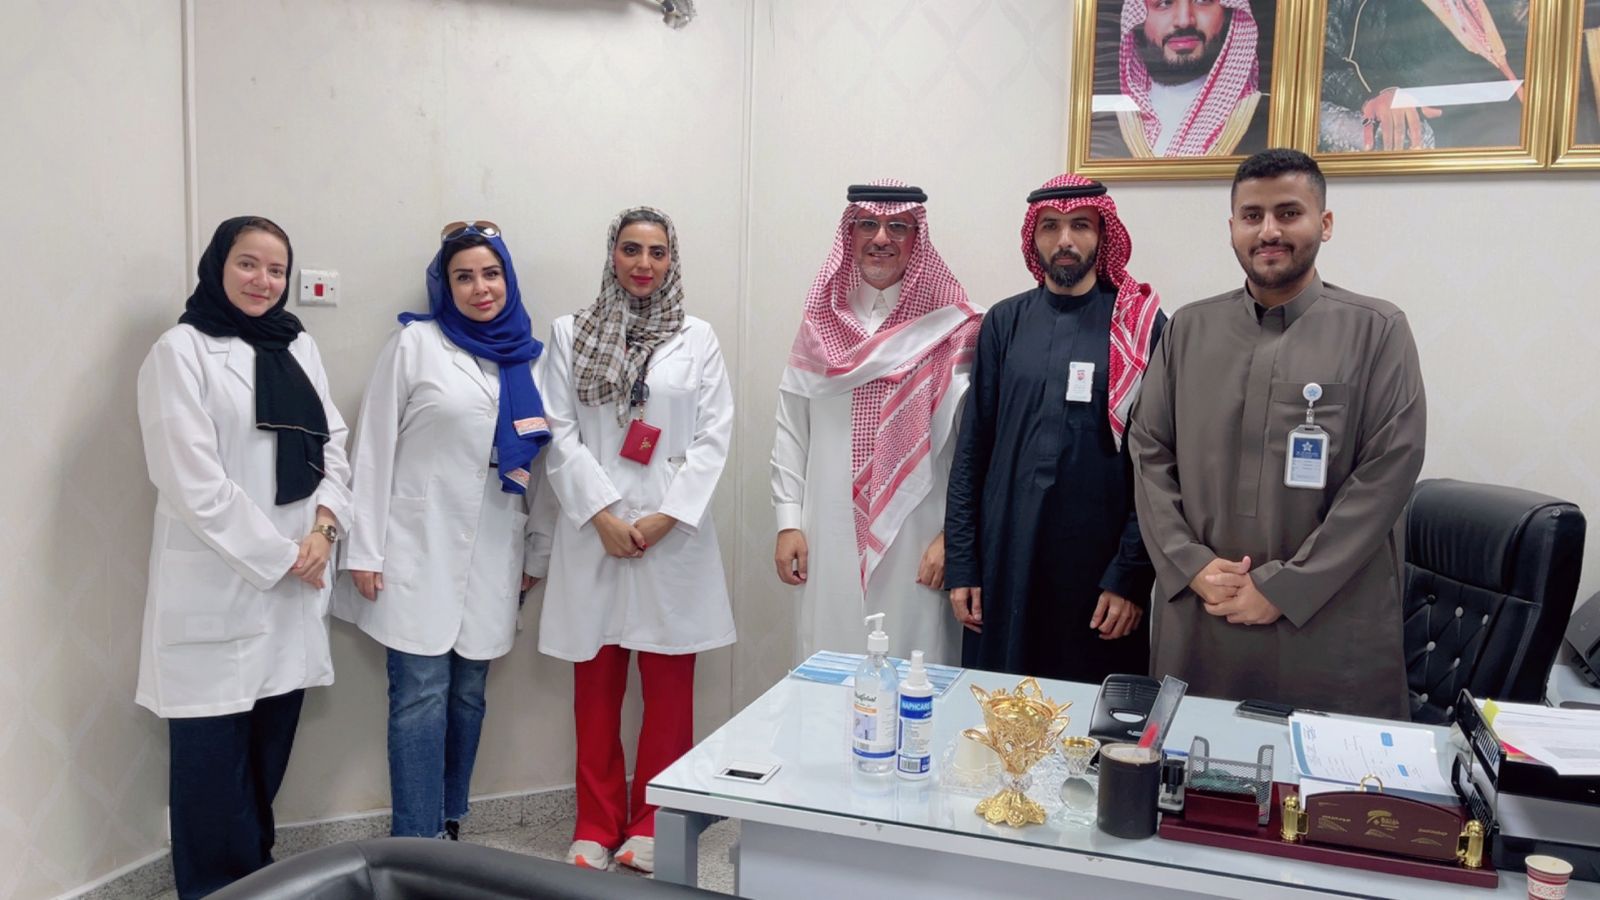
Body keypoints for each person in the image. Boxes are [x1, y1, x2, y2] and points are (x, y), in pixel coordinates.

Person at [1129, 149, 1427, 719]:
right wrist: (1190, 563)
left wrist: (1286, 588)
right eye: (1252, 216)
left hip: (1325, 621)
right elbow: (1148, 451)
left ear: (1325, 222)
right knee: (1188, 764)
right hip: (1202, 612)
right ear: (1232, 228)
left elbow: (1387, 472)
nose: (1268, 231)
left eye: (1289, 213)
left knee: (1326, 774)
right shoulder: (1189, 328)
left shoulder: (1377, 330)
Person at [136, 216, 352, 898]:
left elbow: (335, 447)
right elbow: (191, 481)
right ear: (218, 266)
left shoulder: (299, 346)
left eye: (277, 269)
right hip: (223, 584)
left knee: (266, 760)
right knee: (210, 774)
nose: (264, 280)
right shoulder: (180, 351)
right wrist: (284, 554)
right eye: (248, 264)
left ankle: (259, 884)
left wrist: (325, 530)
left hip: (295, 583)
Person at [337, 221, 552, 841]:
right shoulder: (415, 345)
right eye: (464, 277)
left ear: (508, 279)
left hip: (494, 545)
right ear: (445, 286)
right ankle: (415, 840)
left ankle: (449, 824)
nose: (480, 288)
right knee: (419, 695)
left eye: (491, 274)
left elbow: (543, 470)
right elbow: (373, 447)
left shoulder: (528, 358)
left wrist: (535, 552)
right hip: (414, 546)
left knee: (468, 696)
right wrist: (363, 550)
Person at [537, 207, 735, 874]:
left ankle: (653, 823)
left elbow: (713, 437)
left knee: (669, 691)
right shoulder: (570, 333)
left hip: (670, 539)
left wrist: (664, 518)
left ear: (671, 260)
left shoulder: (698, 338)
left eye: (656, 252)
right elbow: (558, 431)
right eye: (630, 249)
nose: (643, 264)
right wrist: (601, 514)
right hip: (595, 533)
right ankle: (595, 824)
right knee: (594, 690)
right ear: (612, 255)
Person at [944, 174, 1165, 683]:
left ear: (1103, 234)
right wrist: (964, 564)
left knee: (1089, 715)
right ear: (1033, 237)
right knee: (998, 705)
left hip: (1099, 568)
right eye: (1050, 226)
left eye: (1080, 225)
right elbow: (972, 451)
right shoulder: (1003, 323)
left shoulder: (1139, 327)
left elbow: (1158, 468)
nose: (1065, 240)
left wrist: (1131, 576)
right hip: (1005, 557)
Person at [772, 180, 982, 666]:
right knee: (830, 662)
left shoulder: (957, 329)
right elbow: (791, 430)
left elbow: (975, 448)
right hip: (827, 532)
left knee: (917, 669)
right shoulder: (819, 328)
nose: (881, 237)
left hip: (921, 533)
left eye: (898, 227)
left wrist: (955, 538)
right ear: (850, 234)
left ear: (917, 238)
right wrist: (787, 523)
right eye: (868, 224)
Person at [1091, 0, 1269, 159]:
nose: (1184, 21)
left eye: (1202, 1)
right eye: (1164, 3)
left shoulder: (1267, 118)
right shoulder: (1101, 125)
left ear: (1228, 12)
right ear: (1139, 18)